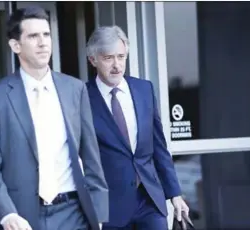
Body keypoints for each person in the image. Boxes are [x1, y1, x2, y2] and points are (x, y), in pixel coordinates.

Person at [0, 6, 108, 230]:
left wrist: (100, 213)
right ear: (15, 45)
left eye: (46, 34)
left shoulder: (74, 89)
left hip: (74, 213)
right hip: (22, 216)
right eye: (33, 36)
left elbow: (91, 154)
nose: (43, 42)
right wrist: (7, 213)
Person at [86, 25, 189, 230]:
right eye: (108, 58)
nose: (117, 65)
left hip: (150, 200)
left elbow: (159, 146)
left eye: (121, 57)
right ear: (93, 59)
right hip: (110, 208)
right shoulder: (81, 97)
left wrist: (175, 193)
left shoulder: (144, 89)